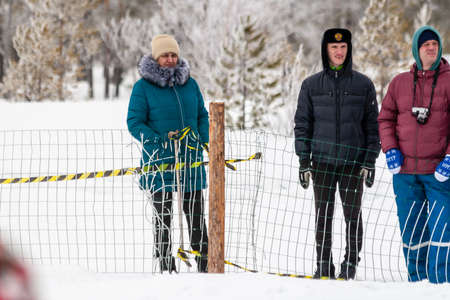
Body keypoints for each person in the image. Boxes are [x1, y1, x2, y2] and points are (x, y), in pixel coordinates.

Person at [294, 28, 380, 280]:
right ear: (326, 50)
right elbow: (302, 125)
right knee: (323, 217)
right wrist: (303, 160)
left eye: (343, 47)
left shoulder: (363, 84)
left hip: (353, 165)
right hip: (321, 162)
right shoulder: (310, 85)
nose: (339, 52)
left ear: (348, 49)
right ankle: (323, 266)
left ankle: (350, 265)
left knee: (353, 217)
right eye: (334, 47)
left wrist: (370, 160)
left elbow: (372, 126)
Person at [127, 34, 209, 273]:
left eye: (174, 54)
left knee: (195, 214)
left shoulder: (190, 84)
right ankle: (165, 264)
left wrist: (202, 139)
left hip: (190, 160)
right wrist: (157, 140)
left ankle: (205, 260)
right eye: (165, 55)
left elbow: (202, 115)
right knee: (163, 217)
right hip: (159, 161)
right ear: (156, 57)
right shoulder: (142, 88)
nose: (170, 59)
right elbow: (135, 122)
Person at [378, 25, 449, 283]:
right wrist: (390, 149)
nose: (431, 48)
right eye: (425, 45)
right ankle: (416, 282)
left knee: (442, 229)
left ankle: (440, 283)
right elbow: (385, 118)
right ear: (416, 51)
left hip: (440, 174)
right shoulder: (399, 83)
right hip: (405, 173)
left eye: (435, 44)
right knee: (412, 231)